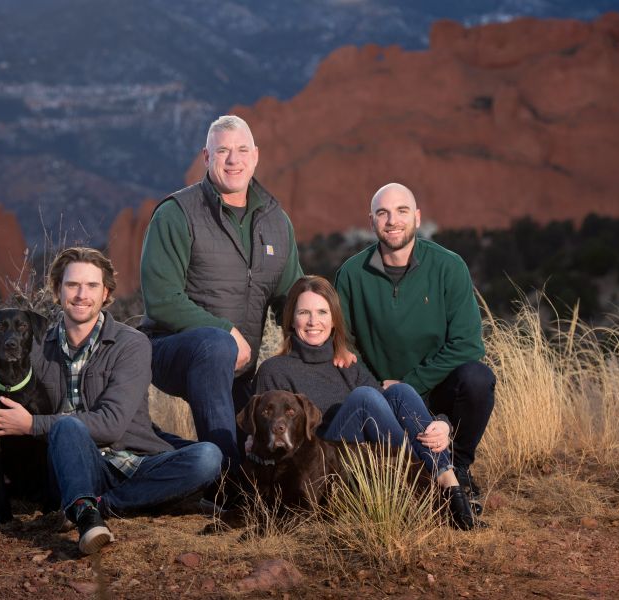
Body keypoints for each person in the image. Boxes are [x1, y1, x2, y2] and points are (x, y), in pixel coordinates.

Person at [0, 247, 222, 554]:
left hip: (132, 459)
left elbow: (112, 425)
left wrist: (32, 424)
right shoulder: (34, 345)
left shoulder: (131, 344)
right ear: (58, 290)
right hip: (68, 466)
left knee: (207, 456)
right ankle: (91, 515)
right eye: (72, 285)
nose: (81, 295)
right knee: (68, 429)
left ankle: (99, 504)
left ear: (106, 293)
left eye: (92, 286)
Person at [138, 115, 307, 507]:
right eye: (223, 151)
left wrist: (327, 338)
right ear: (206, 157)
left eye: (242, 150)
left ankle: (293, 480)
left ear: (256, 157)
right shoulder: (177, 213)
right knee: (216, 346)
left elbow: (291, 300)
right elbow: (161, 298)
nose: (233, 160)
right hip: (172, 350)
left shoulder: (276, 222)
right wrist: (225, 331)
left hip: (239, 365)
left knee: (273, 386)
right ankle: (231, 488)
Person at [255, 275, 480, 529]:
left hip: (364, 464)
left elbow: (389, 413)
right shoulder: (274, 370)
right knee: (364, 399)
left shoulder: (347, 364)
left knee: (400, 393)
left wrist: (441, 423)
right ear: (291, 319)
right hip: (320, 466)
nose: (313, 321)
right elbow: (268, 436)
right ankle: (428, 493)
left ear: (334, 319)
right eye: (304, 312)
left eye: (322, 312)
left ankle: (448, 484)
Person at [334, 182, 495, 507]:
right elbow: (343, 346)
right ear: (372, 221)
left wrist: (411, 384)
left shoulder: (449, 267)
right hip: (381, 395)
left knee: (478, 378)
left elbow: (468, 345)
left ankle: (459, 467)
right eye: (383, 213)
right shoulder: (351, 274)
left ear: (417, 218)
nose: (392, 220)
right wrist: (381, 390)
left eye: (401, 211)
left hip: (438, 391)